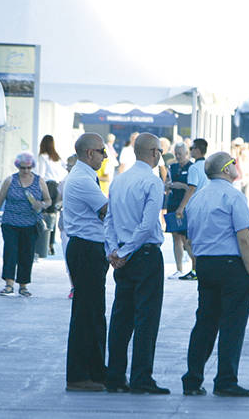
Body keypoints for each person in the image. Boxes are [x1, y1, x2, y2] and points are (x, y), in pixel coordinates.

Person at [181, 151, 249, 397]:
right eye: (233, 163)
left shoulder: (197, 198)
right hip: (231, 265)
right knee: (232, 326)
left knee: (205, 322)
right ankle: (225, 380)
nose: (237, 166)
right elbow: (244, 237)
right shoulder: (233, 196)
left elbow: (189, 238)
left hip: (206, 264)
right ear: (226, 169)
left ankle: (193, 379)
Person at [103, 133, 169, 394]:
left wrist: (114, 250)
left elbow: (109, 220)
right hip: (144, 254)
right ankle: (142, 377)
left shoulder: (119, 181)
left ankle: (115, 376)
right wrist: (128, 250)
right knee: (146, 319)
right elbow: (148, 223)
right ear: (154, 153)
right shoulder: (152, 182)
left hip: (124, 257)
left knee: (121, 317)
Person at [62, 133, 110, 392]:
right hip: (86, 248)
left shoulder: (84, 176)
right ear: (90, 153)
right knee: (87, 314)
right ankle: (81, 375)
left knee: (92, 312)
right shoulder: (81, 179)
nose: (105, 156)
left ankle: (94, 371)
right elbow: (106, 210)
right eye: (102, 151)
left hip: (87, 247)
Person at [0, 151, 51, 298]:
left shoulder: (39, 181)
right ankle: (9, 285)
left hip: (30, 224)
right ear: (17, 167)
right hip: (10, 223)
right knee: (10, 253)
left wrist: (41, 204)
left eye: (28, 168)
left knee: (26, 255)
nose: (25, 171)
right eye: (22, 168)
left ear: (32, 167)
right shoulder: (10, 181)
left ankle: (23, 285)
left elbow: (48, 200)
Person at [174, 137, 209, 281]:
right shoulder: (209, 165)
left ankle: (195, 270)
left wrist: (181, 207)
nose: (190, 150)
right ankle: (199, 269)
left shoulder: (194, 168)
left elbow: (191, 188)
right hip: (208, 206)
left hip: (196, 209)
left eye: (192, 148)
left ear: (198, 150)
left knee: (190, 241)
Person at [166, 142, 193, 279]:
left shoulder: (192, 168)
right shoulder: (172, 167)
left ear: (187, 154)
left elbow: (192, 187)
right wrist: (168, 185)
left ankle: (194, 267)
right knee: (175, 236)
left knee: (185, 238)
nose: (177, 156)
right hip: (172, 204)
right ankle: (179, 268)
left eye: (180, 154)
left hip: (185, 205)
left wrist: (182, 186)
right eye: (176, 153)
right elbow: (166, 183)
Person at [36, 134, 65, 256]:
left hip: (47, 186)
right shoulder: (57, 157)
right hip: (57, 186)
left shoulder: (42, 157)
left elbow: (41, 174)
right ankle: (51, 244)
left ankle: (43, 243)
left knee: (43, 215)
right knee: (53, 216)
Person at [57, 153, 77, 299]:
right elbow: (57, 201)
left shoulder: (84, 180)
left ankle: (75, 286)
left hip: (73, 225)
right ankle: (73, 286)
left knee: (72, 256)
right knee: (69, 256)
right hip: (67, 224)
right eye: (68, 166)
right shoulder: (65, 182)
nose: (69, 169)